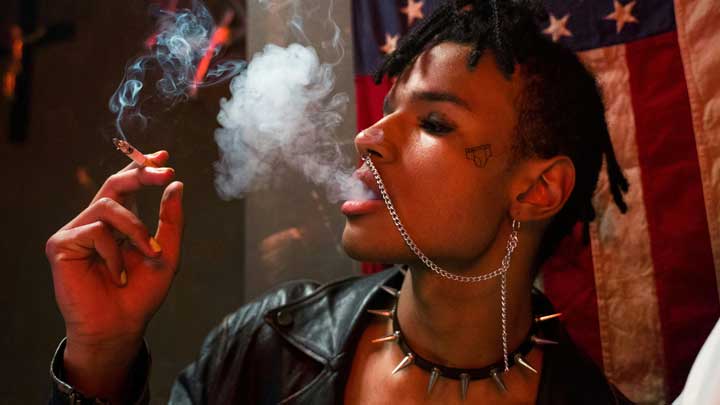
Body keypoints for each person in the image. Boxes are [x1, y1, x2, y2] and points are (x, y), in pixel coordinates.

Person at [46, 0, 633, 404]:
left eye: (433, 122)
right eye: (386, 112)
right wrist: (101, 358)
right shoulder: (263, 346)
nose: (369, 136)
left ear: (536, 190)